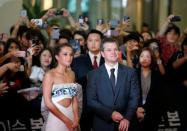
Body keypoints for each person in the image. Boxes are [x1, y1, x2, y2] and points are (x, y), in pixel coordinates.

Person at [87, 37, 140, 131]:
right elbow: (91, 101)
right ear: (102, 53)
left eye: (115, 49)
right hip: (102, 124)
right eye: (109, 50)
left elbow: (134, 98)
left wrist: (127, 118)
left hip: (126, 124)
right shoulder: (93, 75)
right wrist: (110, 114)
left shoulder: (130, 73)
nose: (113, 52)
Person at [71, 29, 104, 131]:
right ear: (86, 42)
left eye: (96, 40)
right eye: (90, 40)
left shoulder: (108, 60)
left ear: (102, 42)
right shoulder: (77, 61)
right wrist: (86, 78)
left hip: (105, 107)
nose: (93, 43)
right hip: (84, 107)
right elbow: (73, 84)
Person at [43, 44, 79, 131]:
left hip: (71, 116)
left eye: (71, 55)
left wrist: (76, 118)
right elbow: (48, 103)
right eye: (65, 54)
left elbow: (74, 99)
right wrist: (66, 120)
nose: (69, 57)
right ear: (57, 57)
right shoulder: (49, 75)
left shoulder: (72, 74)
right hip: (56, 118)